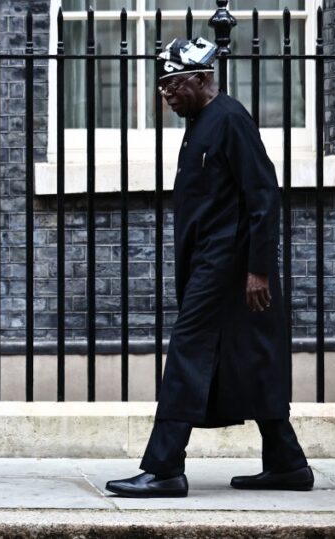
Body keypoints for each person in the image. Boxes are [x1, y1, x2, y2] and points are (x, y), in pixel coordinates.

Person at [106, 37, 312, 498]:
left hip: (228, 265)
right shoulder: (202, 121)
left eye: (175, 85)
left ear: (202, 79)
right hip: (213, 263)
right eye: (163, 88)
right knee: (250, 357)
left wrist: (258, 269)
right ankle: (287, 463)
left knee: (186, 353)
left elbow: (263, 196)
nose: (168, 95)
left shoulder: (230, 120)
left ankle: (164, 468)